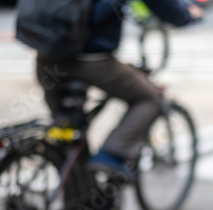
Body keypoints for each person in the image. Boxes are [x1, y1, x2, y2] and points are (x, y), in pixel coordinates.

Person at [36, 0, 203, 179]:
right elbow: (166, 8)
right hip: (91, 60)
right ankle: (111, 155)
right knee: (149, 98)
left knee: (67, 133)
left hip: (45, 59)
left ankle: (77, 199)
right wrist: (187, 14)